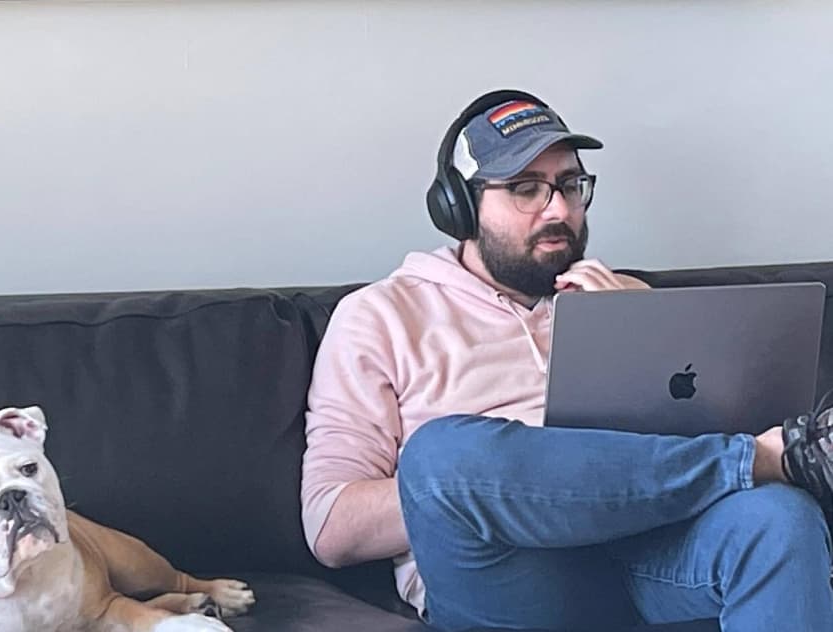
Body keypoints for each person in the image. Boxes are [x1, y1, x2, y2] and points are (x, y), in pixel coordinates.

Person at [300, 89, 833, 631]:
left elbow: (716, 421)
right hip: (507, 575)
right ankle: (767, 458)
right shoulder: (381, 315)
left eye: (570, 185)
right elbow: (331, 527)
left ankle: (768, 462)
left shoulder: (622, 296)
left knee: (778, 519)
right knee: (439, 458)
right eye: (526, 189)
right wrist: (536, 477)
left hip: (651, 551)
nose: (558, 209)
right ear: (458, 207)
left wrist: (640, 324)